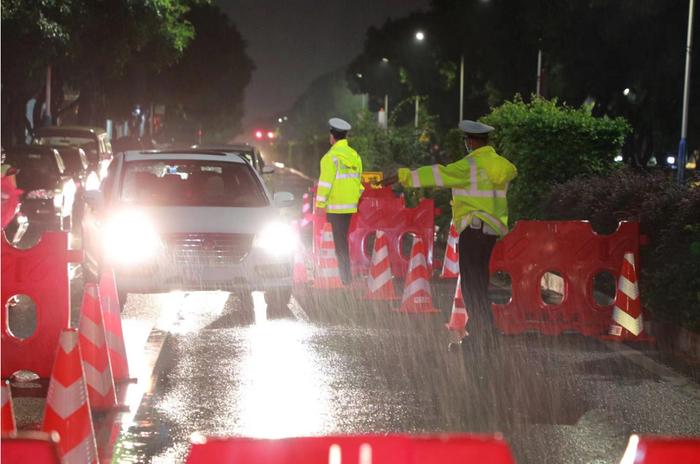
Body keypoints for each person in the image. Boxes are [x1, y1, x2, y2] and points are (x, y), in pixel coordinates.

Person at [383, 120, 517, 340]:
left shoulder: (470, 166)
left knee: (471, 283)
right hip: (492, 230)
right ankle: (486, 329)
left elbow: (437, 173)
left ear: (471, 141)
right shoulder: (502, 166)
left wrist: (404, 176)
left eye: (466, 140)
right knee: (480, 280)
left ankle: (481, 334)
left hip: (473, 229)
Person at [315, 118, 364, 285]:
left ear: (332, 137)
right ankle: (344, 276)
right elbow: (358, 181)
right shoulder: (355, 156)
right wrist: (355, 198)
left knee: (338, 243)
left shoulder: (330, 157)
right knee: (342, 241)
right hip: (350, 207)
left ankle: (343, 277)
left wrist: (320, 205)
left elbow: (325, 184)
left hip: (335, 207)